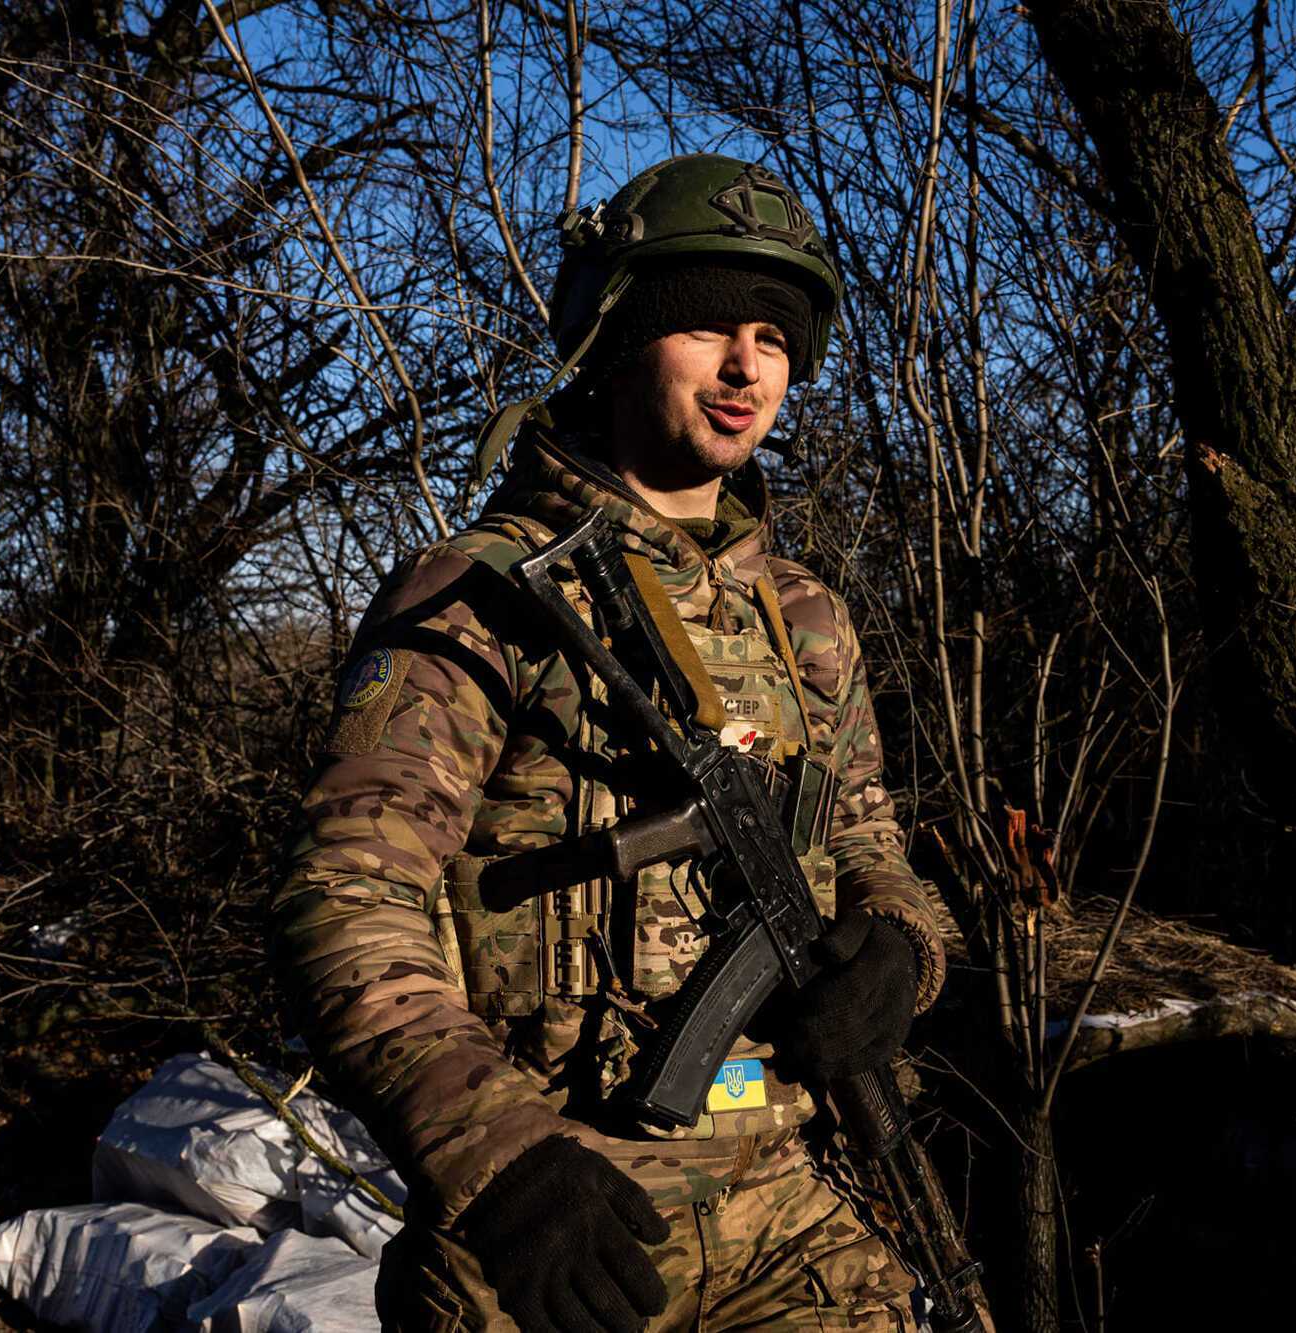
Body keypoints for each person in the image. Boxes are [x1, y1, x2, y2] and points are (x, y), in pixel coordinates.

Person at [272, 154, 951, 1331]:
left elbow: (868, 837)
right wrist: (496, 1155)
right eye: (703, 330)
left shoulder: (803, 618)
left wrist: (897, 950)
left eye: (772, 339)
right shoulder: (483, 592)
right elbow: (345, 893)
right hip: (567, 1208)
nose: (746, 370)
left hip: (789, 1198)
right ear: (613, 336)